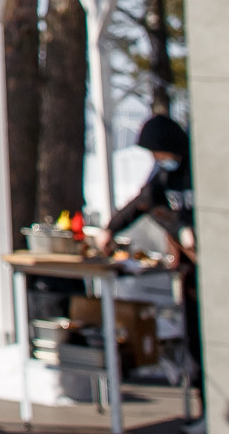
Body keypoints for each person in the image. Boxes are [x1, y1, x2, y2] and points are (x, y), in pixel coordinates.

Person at [88, 114, 198, 395]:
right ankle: (202, 402)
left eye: (157, 152)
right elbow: (142, 203)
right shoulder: (164, 176)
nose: (157, 158)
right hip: (191, 266)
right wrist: (110, 229)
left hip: (217, 263)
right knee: (195, 333)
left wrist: (190, 227)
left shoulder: (197, 166)